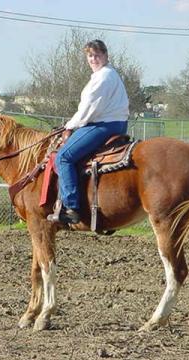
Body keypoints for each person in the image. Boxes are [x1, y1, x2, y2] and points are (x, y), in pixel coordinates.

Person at [47, 39, 129, 224]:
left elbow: (88, 109)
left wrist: (70, 125)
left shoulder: (103, 77)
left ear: (106, 55)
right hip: (114, 123)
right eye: (90, 55)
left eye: (97, 55)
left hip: (103, 125)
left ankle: (71, 207)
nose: (93, 59)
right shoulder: (107, 75)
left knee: (64, 157)